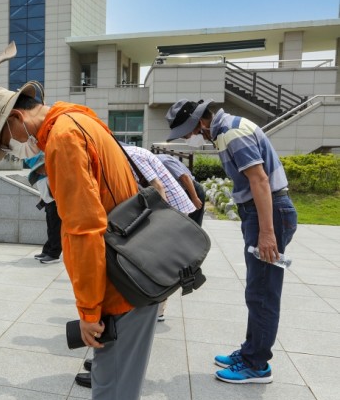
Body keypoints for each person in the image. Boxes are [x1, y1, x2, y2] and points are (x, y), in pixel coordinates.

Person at [0, 81, 158, 400]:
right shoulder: (79, 119)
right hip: (138, 263)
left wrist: (89, 312)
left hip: (121, 283)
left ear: (17, 118)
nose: (13, 150)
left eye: (6, 141)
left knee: (111, 393)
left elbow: (84, 230)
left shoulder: (61, 140)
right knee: (116, 390)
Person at [165, 99, 297, 384]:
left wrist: (267, 232)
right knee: (258, 288)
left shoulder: (232, 133)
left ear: (200, 123)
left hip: (268, 213)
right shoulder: (228, 129)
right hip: (262, 211)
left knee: (263, 292)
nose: (189, 139)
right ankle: (251, 351)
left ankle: (257, 365)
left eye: (187, 133)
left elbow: (259, 181)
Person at [121, 144, 197, 323]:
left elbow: (158, 186)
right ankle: (157, 307)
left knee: (160, 261)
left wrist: (162, 221)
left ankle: (158, 309)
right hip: (169, 207)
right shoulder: (129, 153)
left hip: (172, 208)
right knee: (159, 260)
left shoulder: (131, 155)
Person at [24, 153, 62, 264]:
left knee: (55, 229)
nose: (39, 171)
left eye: (40, 168)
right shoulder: (42, 176)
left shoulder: (52, 174)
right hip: (48, 203)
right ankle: (47, 251)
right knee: (51, 228)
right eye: (37, 170)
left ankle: (54, 254)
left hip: (55, 203)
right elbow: (44, 190)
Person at [156, 153, 206, 226]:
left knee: (194, 225)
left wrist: (194, 198)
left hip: (192, 191)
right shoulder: (158, 160)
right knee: (186, 225)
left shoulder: (164, 162)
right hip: (186, 191)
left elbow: (184, 177)